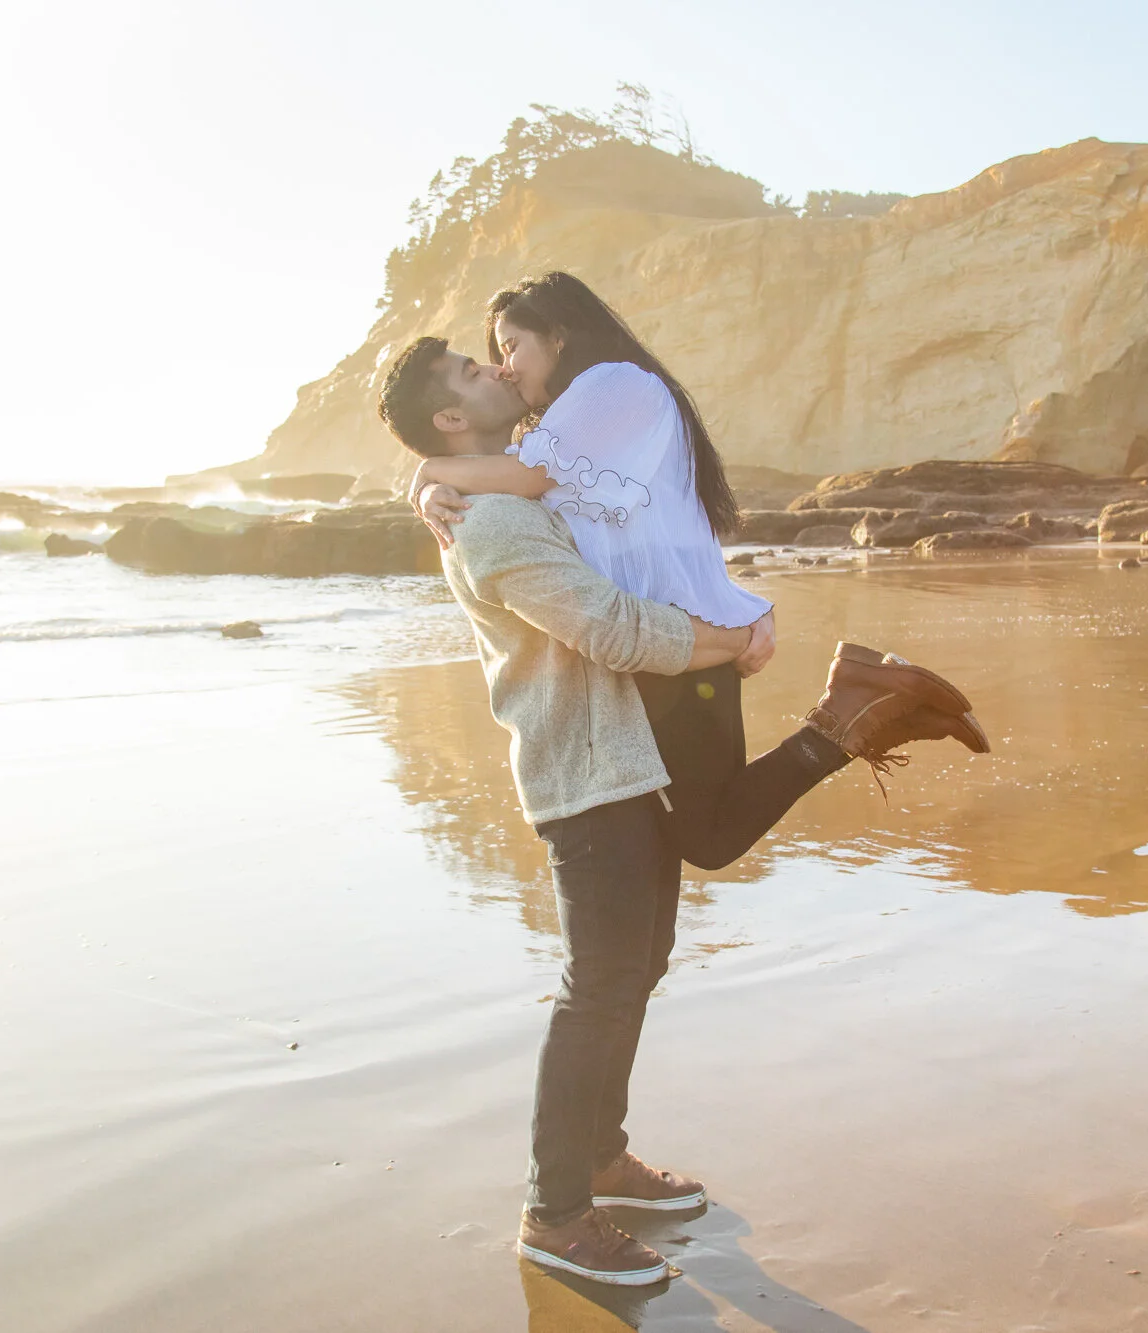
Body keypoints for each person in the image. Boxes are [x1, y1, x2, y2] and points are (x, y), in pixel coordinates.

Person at [377, 335, 986, 1287]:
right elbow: (611, 629)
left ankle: (602, 1157)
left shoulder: (522, 483)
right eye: (468, 371)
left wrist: (426, 475)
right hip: (586, 773)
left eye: (490, 356)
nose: (494, 369)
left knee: (638, 963)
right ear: (451, 419)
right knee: (599, 985)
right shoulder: (493, 522)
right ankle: (555, 1209)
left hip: (633, 754)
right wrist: (733, 639)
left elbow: (636, 521)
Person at [405, 273, 989, 870]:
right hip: (666, 641)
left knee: (707, 837)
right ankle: (868, 709)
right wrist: (432, 490)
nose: (504, 367)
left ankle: (856, 708)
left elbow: (523, 481)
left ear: (557, 336)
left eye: (511, 346)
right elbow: (523, 495)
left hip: (677, 642)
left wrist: (430, 472)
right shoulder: (574, 420)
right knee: (703, 834)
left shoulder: (613, 384)